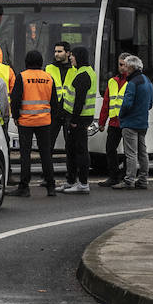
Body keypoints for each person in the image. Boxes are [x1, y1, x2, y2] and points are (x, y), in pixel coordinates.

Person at [8, 50, 58, 197]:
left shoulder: (22, 77)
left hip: (26, 121)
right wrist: (51, 119)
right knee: (46, 154)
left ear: (26, 61)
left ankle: (24, 187)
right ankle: (51, 186)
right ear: (41, 62)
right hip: (44, 121)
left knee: (25, 154)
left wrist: (16, 117)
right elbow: (54, 102)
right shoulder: (48, 78)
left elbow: (15, 100)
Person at [58, 45, 97, 194]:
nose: (70, 57)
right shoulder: (83, 72)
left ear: (79, 56)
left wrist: (73, 119)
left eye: (73, 55)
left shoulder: (83, 75)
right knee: (72, 150)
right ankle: (71, 181)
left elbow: (79, 100)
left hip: (79, 118)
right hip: (79, 117)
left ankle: (82, 183)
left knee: (80, 150)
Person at [113, 54, 152, 190]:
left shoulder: (132, 83)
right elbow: (150, 104)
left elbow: (127, 104)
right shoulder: (147, 81)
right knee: (143, 152)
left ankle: (129, 180)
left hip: (130, 122)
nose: (125, 70)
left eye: (127, 67)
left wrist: (121, 115)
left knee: (130, 153)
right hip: (143, 122)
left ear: (131, 67)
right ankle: (143, 180)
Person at [97, 53, 131, 187]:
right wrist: (101, 122)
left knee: (130, 151)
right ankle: (114, 176)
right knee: (110, 149)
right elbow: (106, 103)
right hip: (114, 122)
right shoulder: (112, 81)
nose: (121, 67)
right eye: (120, 64)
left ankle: (124, 175)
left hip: (127, 121)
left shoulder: (132, 82)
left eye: (124, 65)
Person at [46, 40, 73, 153]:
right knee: (48, 145)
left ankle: (71, 170)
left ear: (68, 53)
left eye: (60, 51)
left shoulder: (74, 69)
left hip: (69, 112)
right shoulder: (49, 68)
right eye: (55, 51)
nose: (56, 54)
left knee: (71, 146)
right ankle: (47, 170)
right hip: (54, 111)